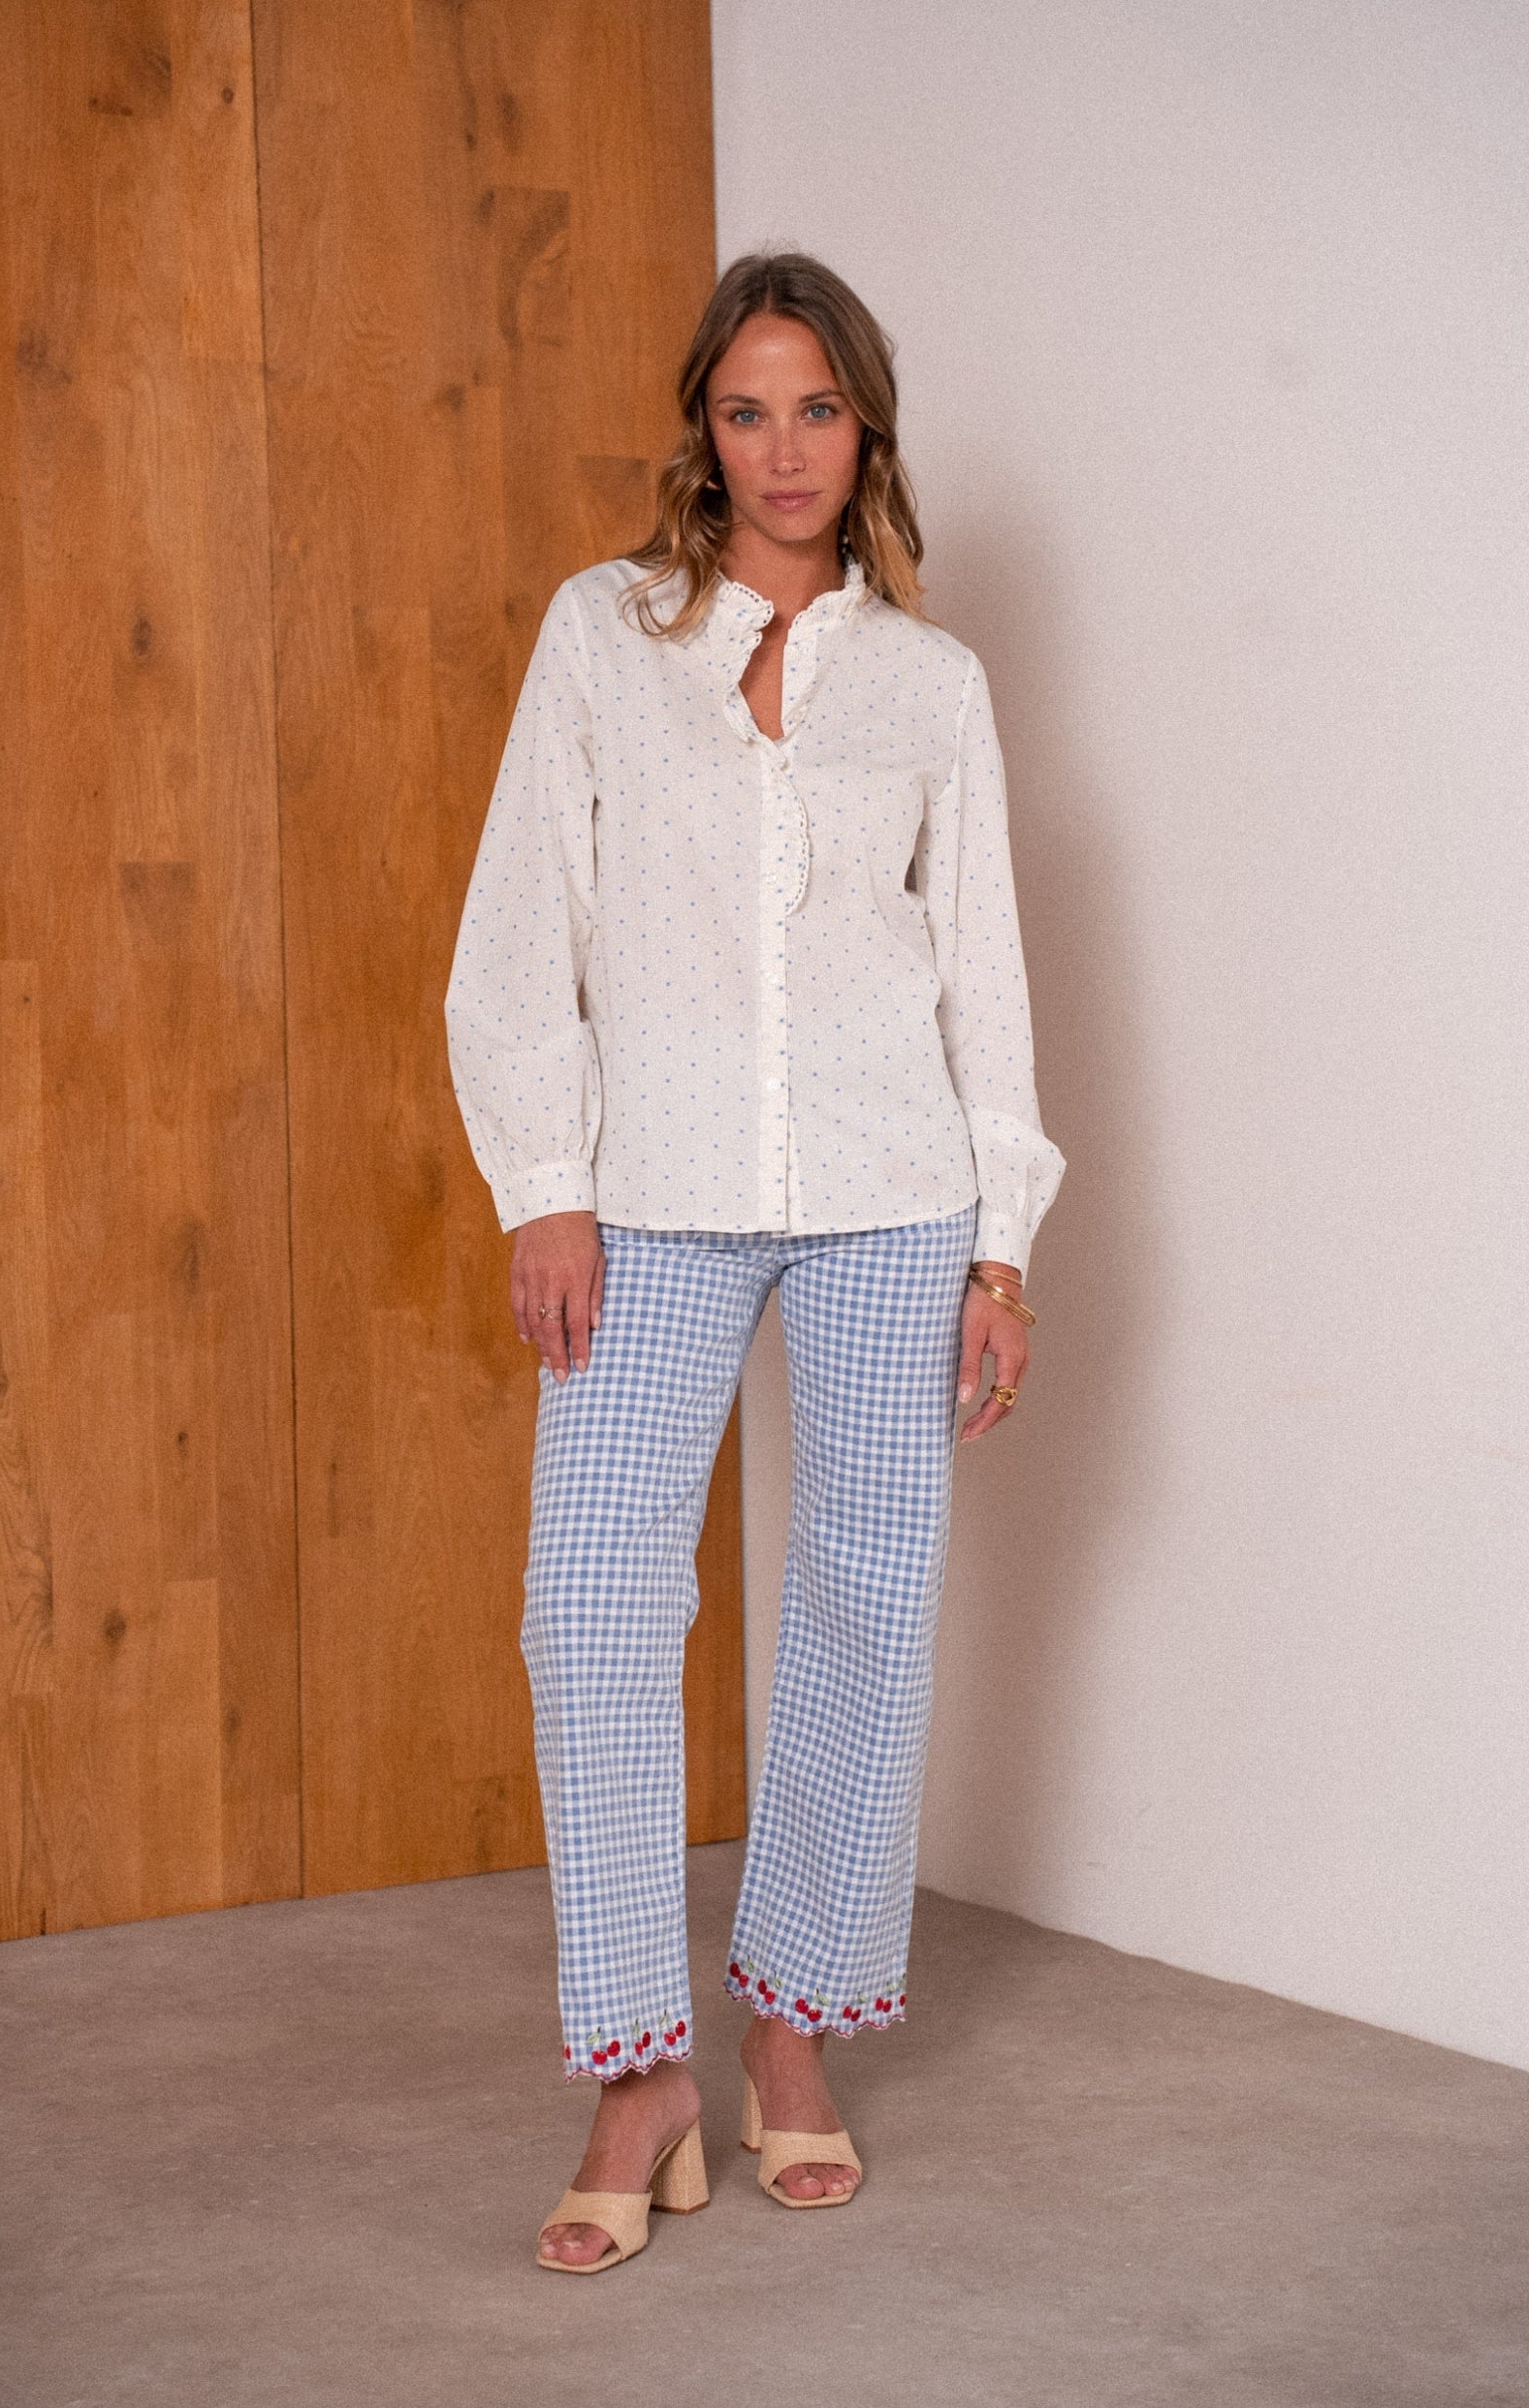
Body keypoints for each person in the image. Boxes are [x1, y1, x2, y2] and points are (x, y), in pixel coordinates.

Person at [444, 251, 1066, 2274]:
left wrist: (1002, 1244)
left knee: (868, 1595)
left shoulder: (931, 684)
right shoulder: (603, 636)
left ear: (864, 429)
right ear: (700, 434)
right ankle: (641, 2072)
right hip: (651, 1188)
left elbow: (981, 967)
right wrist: (544, 1181)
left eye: (817, 410)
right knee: (591, 1599)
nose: (783, 449)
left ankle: (793, 2031)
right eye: (745, 410)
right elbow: (520, 921)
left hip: (894, 1186)